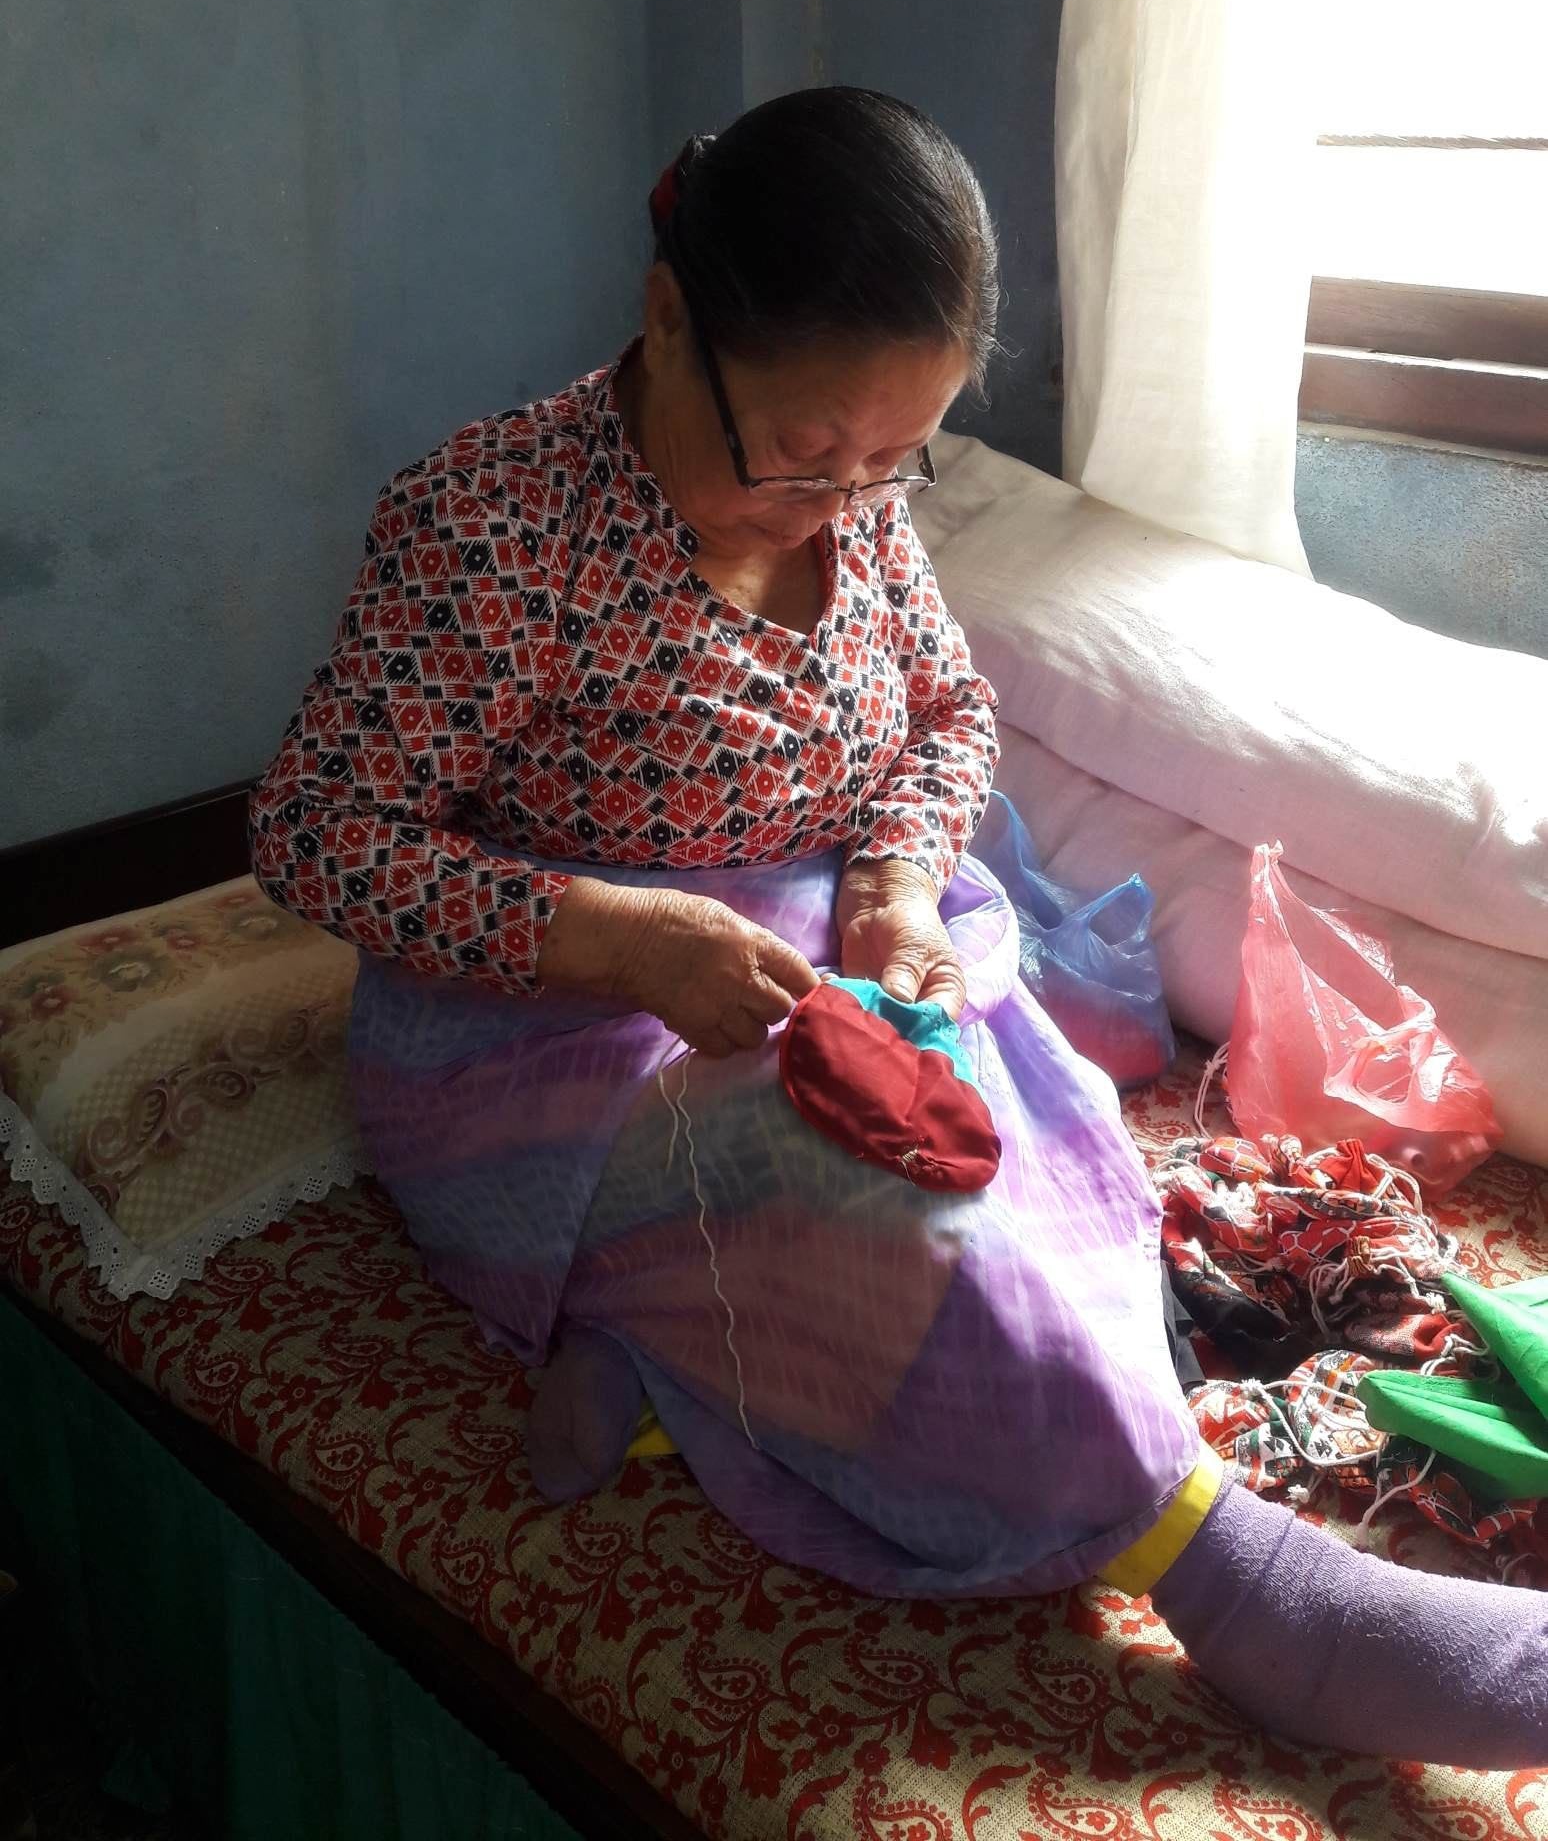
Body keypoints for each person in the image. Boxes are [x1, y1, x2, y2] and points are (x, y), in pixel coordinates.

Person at [253, 87, 1546, 1767]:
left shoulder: (857, 509)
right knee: (883, 1213)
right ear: (666, 319)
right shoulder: (489, 531)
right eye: (804, 454)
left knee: (1045, 1142)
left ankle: (672, 1369)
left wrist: (897, 879)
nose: (851, 496)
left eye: (894, 458)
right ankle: (1235, 1581)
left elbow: (946, 713)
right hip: (559, 1018)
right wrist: (627, 938)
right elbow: (315, 835)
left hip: (812, 940)